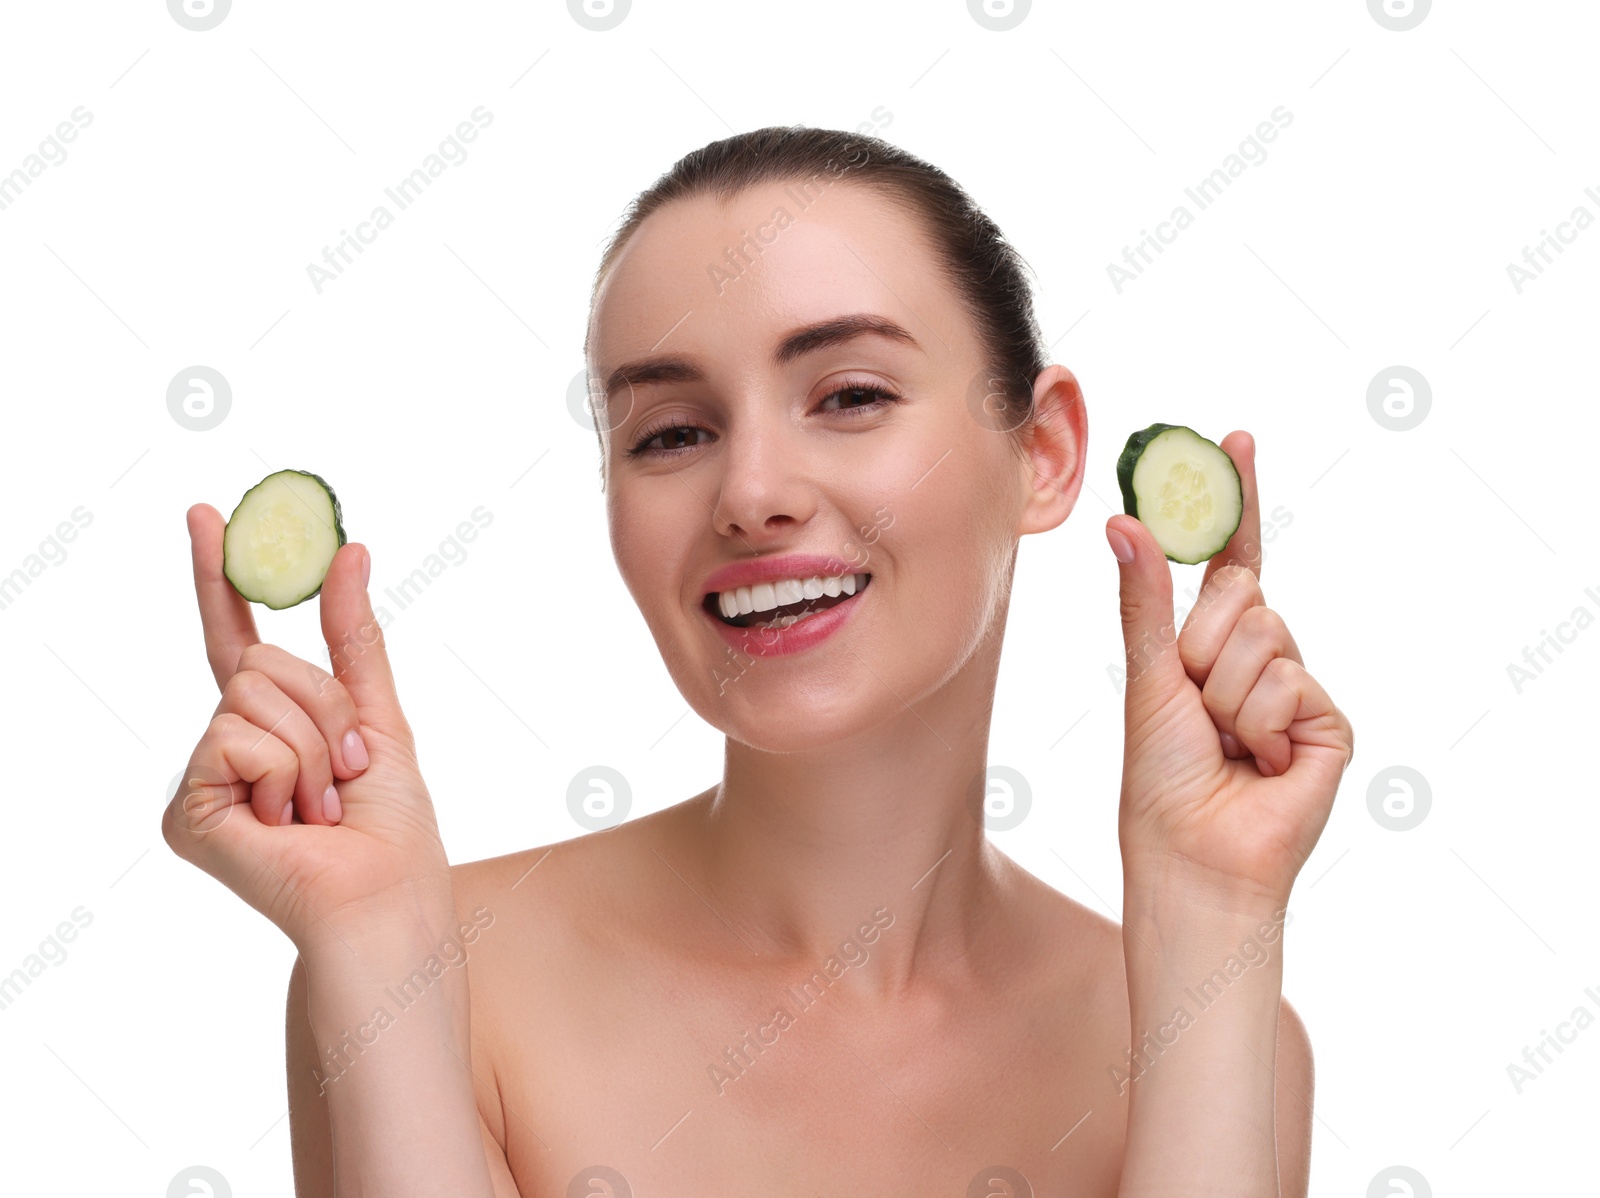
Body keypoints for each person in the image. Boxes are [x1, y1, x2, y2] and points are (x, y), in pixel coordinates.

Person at [164, 125, 1354, 1197]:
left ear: (1041, 452)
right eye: (673, 432)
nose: (751, 496)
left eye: (847, 395)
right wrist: (372, 944)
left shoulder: (1210, 1023)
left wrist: (1213, 914)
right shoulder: (438, 968)